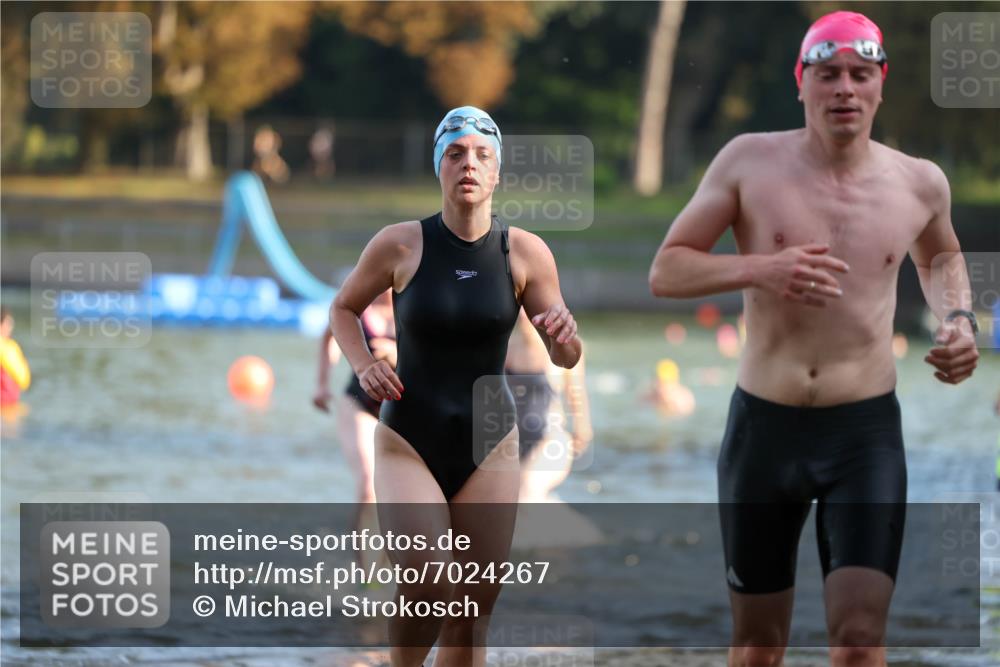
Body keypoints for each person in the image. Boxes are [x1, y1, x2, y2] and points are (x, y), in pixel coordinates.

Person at [649, 11, 979, 667]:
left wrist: (959, 321)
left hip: (863, 434)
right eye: (827, 75)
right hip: (762, 431)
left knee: (858, 640)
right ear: (802, 83)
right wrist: (760, 266)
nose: (844, 90)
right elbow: (667, 268)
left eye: (860, 74)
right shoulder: (747, 161)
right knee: (758, 645)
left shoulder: (920, 182)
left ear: (881, 84)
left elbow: (942, 263)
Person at [330, 106, 581, 667]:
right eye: (455, 153)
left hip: (490, 443)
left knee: (470, 620)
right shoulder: (400, 245)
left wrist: (568, 337)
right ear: (439, 168)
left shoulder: (525, 253)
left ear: (497, 173)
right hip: (409, 439)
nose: (469, 164)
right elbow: (343, 308)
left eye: (482, 155)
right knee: (425, 591)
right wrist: (364, 361)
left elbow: (565, 355)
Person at [313, 289, 395, 537]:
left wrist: (395, 354)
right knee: (368, 483)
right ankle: (364, 563)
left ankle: (389, 556)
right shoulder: (360, 306)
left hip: (401, 411)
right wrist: (322, 384)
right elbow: (331, 335)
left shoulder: (414, 305)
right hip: (359, 404)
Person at [505, 309, 593, 502]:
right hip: (510, 442)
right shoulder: (505, 348)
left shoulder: (564, 348)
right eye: (519, 311)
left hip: (551, 439)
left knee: (528, 487)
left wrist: (582, 430)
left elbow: (578, 397)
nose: (522, 316)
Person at [0, 306, 31, 407]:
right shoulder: (7, 347)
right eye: (8, 324)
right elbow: (23, 380)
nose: (10, 328)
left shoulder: (9, 346)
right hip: (6, 404)